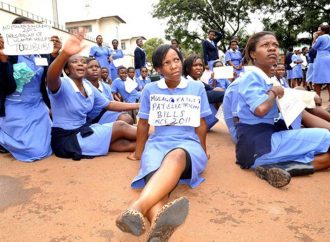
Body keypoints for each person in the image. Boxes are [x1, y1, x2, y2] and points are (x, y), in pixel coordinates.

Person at [116, 44, 211, 241]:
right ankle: (157, 233)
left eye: (176, 60)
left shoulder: (197, 87)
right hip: (157, 144)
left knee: (176, 155)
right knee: (156, 180)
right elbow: (143, 124)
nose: (174, 66)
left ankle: (136, 208)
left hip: (187, 144)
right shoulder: (150, 89)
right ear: (158, 69)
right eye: (167, 63)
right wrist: (138, 153)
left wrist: (202, 150)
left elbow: (201, 124)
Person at [233, 31, 330, 188]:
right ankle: (275, 167)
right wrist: (274, 92)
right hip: (261, 145)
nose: (272, 49)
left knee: (327, 159)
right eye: (265, 45)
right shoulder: (250, 77)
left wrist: (306, 97)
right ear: (253, 54)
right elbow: (260, 109)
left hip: (258, 149)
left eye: (275, 45)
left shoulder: (268, 78)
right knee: (327, 137)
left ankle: (275, 169)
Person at [47, 34, 139, 160]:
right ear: (67, 70)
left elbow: (110, 104)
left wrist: (140, 105)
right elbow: (51, 76)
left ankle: (154, 144)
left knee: (124, 143)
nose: (80, 64)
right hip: (67, 139)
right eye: (74, 62)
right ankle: (162, 137)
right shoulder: (62, 83)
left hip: (84, 131)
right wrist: (64, 55)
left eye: (83, 62)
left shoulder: (87, 85)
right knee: (121, 126)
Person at [0, 16, 61, 162]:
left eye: (32, 29)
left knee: (54, 144)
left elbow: (49, 76)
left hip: (38, 106)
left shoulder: (41, 53)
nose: (29, 32)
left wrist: (54, 54)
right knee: (35, 151)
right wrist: (2, 60)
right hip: (15, 105)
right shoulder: (7, 54)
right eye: (24, 29)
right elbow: (6, 86)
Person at [85, 58, 133, 125]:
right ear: (84, 70)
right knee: (125, 119)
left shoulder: (106, 86)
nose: (94, 69)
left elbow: (112, 102)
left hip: (106, 114)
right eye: (90, 67)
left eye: (97, 67)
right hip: (91, 119)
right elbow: (109, 104)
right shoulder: (84, 86)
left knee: (127, 118)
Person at [183, 54, 224, 130]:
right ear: (188, 68)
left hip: (201, 119)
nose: (199, 68)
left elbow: (212, 90)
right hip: (193, 124)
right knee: (222, 97)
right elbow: (208, 95)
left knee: (218, 90)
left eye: (200, 65)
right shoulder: (187, 82)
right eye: (195, 65)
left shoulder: (199, 82)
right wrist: (229, 94)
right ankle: (234, 127)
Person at [312, 23, 330, 102]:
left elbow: (314, 47)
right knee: (328, 78)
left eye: (319, 30)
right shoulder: (329, 37)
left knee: (317, 79)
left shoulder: (321, 37)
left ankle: (318, 98)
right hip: (328, 56)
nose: (317, 31)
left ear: (323, 31)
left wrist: (314, 38)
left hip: (321, 57)